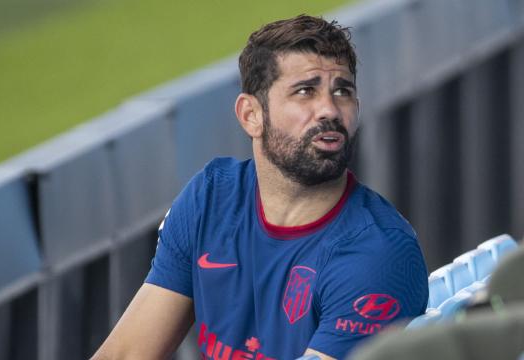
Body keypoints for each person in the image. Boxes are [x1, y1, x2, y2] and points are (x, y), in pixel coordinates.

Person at [91, 14, 428, 360]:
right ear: (251, 115)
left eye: (343, 91)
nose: (329, 109)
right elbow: (125, 354)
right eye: (305, 91)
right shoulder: (211, 198)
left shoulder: (378, 254)